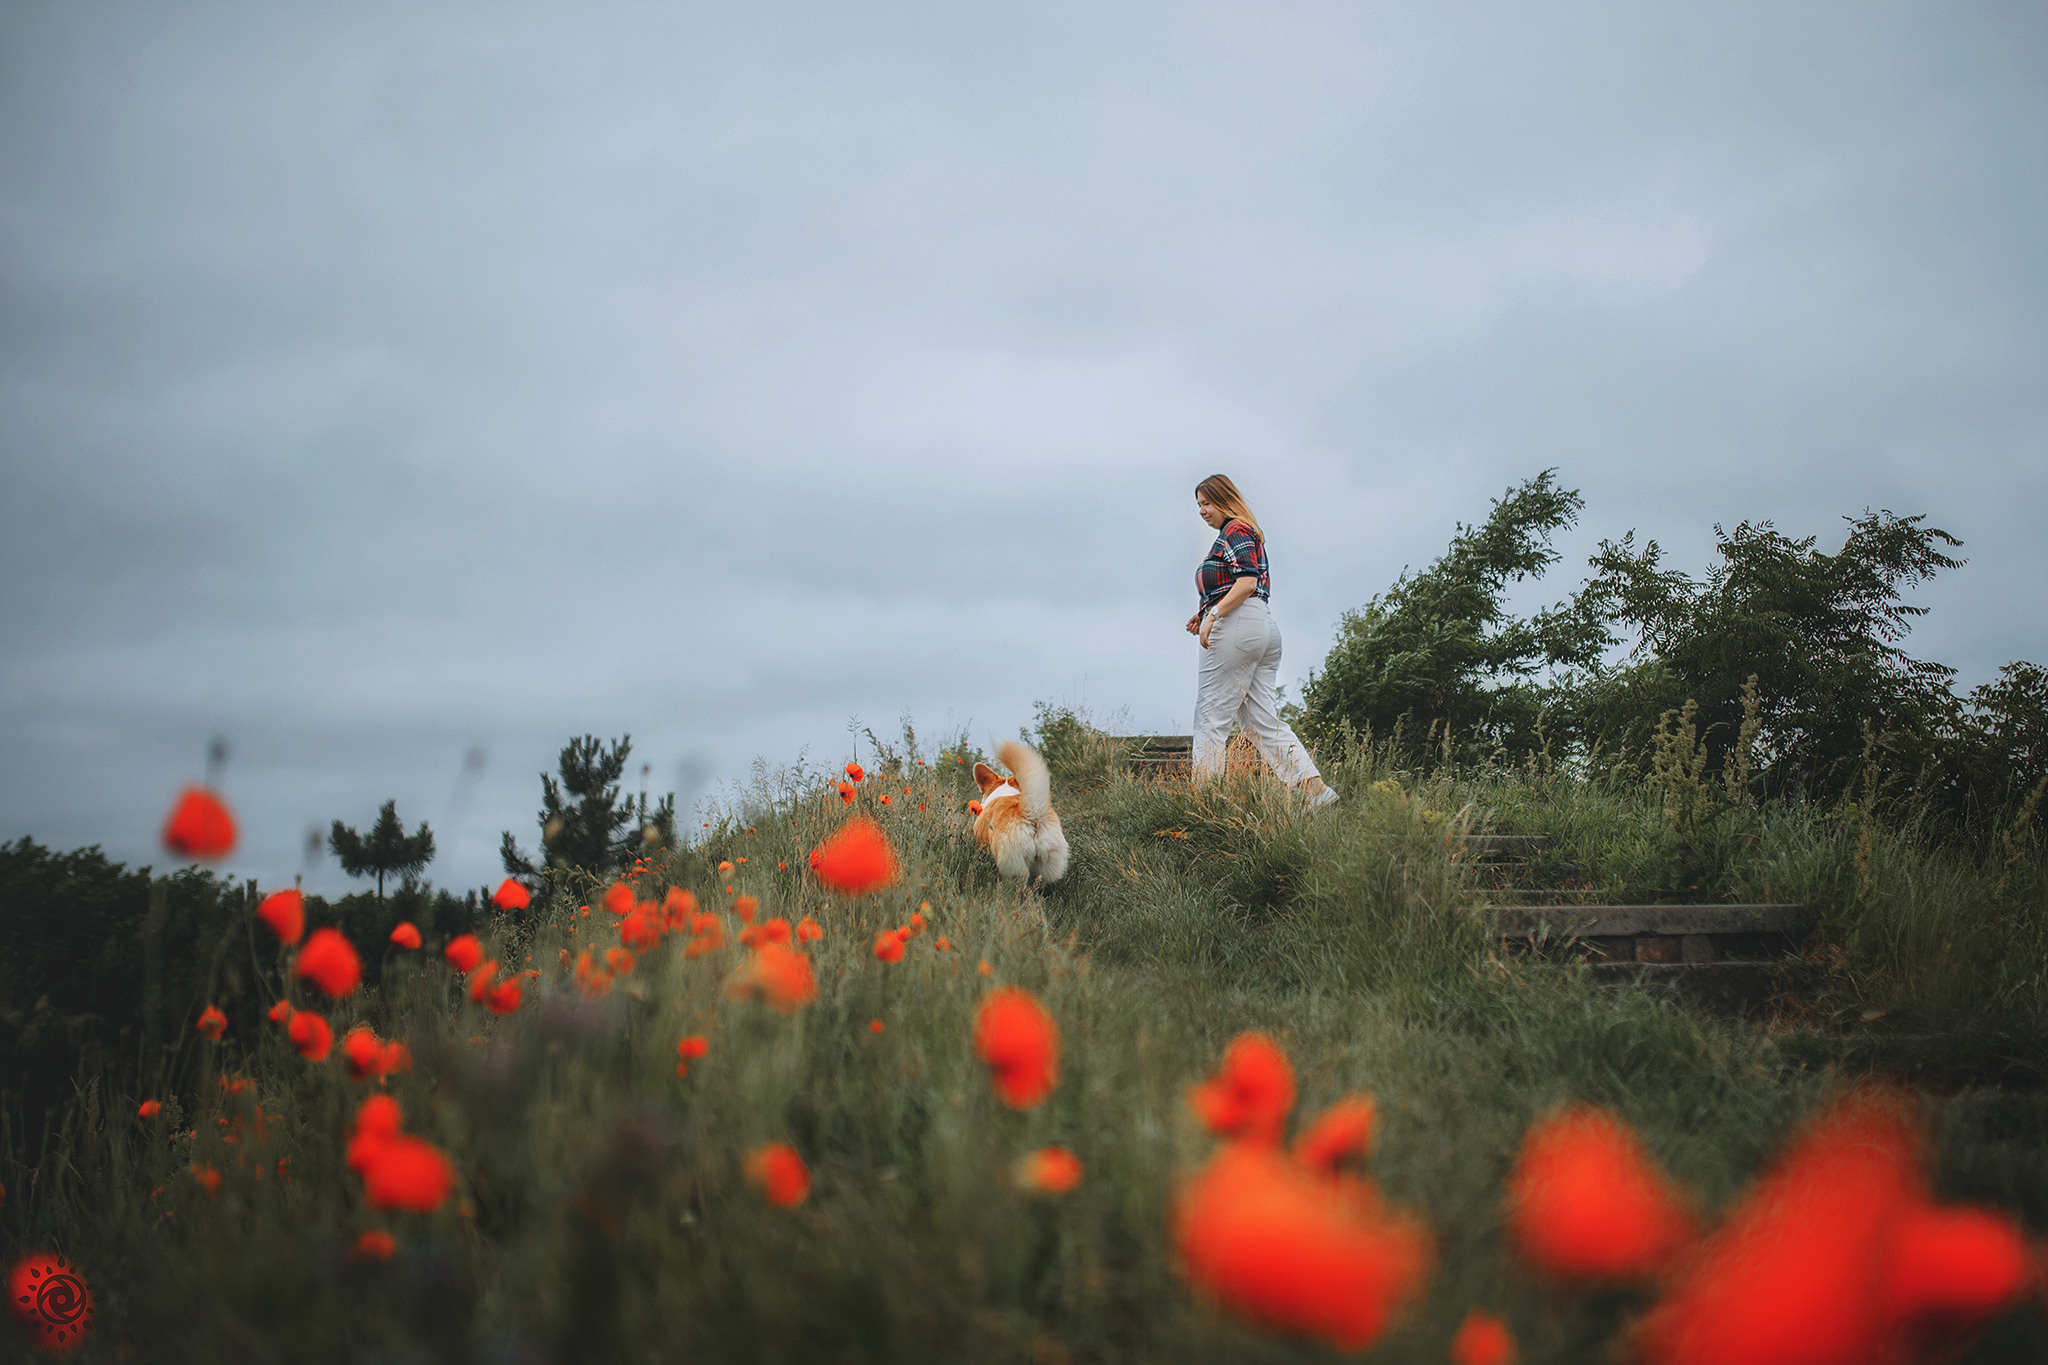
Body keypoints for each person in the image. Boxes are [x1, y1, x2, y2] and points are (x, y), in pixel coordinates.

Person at [1184, 474, 1338, 806]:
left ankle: (1204, 803)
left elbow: (1247, 582)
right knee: (1261, 721)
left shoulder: (1235, 529)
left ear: (1224, 499)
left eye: (1207, 503)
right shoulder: (1241, 531)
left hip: (1237, 626)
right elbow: (1234, 583)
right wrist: (1203, 612)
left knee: (1210, 716)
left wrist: (1214, 615)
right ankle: (1316, 792)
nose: (1202, 511)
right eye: (1199, 505)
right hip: (1260, 628)